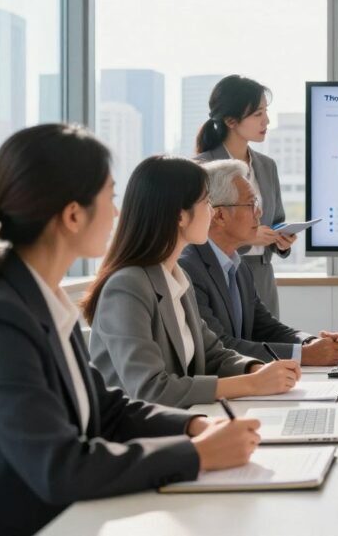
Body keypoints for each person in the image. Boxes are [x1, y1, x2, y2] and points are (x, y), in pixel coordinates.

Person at [0, 125, 260, 535]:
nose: (116, 213)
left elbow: (107, 407)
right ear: (73, 215)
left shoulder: (40, 299)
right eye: (110, 197)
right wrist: (195, 454)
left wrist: (191, 426)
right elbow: (60, 466)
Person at [85, 156, 302, 408]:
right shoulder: (127, 286)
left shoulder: (176, 276)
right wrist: (253, 383)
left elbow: (212, 354)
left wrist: (256, 368)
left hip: (186, 421)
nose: (212, 212)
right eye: (206, 202)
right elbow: (150, 389)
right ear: (180, 216)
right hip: (142, 438)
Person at [179, 159, 338, 365]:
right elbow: (219, 346)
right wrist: (305, 355)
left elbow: (265, 327)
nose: (259, 213)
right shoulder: (188, 268)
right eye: (251, 204)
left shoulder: (238, 265)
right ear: (220, 215)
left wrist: (311, 342)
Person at [194, 74, 292, 318]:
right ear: (231, 120)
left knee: (272, 346)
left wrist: (281, 239)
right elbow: (196, 234)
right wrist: (250, 239)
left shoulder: (267, 166)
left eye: (265, 112)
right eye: (258, 114)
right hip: (219, 275)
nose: (266, 120)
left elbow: (276, 217)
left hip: (262, 276)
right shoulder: (202, 167)